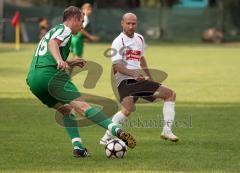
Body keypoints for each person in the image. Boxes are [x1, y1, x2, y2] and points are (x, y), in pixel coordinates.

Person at [26, 6, 136, 158]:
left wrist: (69, 62)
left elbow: (47, 52)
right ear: (73, 19)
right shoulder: (65, 29)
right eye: (82, 21)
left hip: (33, 79)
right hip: (51, 76)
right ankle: (117, 131)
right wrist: (59, 60)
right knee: (83, 107)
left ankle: (78, 147)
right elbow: (53, 44)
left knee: (65, 110)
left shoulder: (54, 30)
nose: (83, 25)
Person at [100, 13, 179, 145]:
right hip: (124, 81)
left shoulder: (140, 39)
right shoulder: (118, 42)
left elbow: (141, 58)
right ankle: (107, 136)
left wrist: (149, 76)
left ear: (137, 23)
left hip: (138, 80)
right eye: (128, 23)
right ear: (122, 23)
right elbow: (117, 66)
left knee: (170, 94)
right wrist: (134, 74)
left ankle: (167, 130)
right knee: (128, 109)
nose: (131, 26)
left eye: (133, 23)